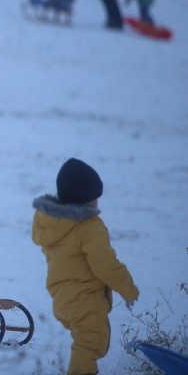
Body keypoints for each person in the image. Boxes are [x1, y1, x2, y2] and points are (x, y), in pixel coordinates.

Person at [32, 158, 139, 375]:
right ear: (86, 200)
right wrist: (128, 288)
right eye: (94, 199)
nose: (97, 203)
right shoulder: (88, 227)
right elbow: (105, 264)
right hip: (85, 298)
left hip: (62, 297)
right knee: (91, 343)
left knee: (89, 341)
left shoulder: (51, 223)